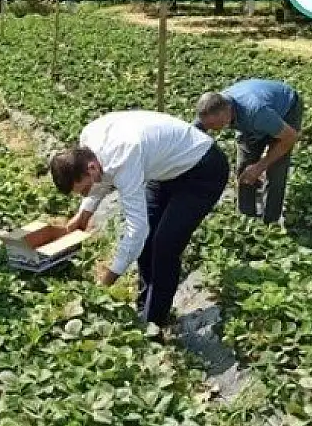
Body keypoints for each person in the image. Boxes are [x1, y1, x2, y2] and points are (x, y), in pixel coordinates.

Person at [48, 110, 228, 329]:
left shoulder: (125, 157)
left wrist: (109, 277)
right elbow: (101, 177)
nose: (86, 194)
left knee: (164, 245)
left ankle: (154, 325)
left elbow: (136, 228)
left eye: (85, 190)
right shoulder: (89, 140)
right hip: (163, 167)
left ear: (91, 168)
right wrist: (84, 213)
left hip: (203, 169)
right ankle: (145, 307)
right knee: (148, 240)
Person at [194, 79, 302, 224]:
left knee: (276, 169)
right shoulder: (211, 109)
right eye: (208, 125)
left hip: (285, 108)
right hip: (253, 116)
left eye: (214, 125)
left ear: (226, 113)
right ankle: (246, 218)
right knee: (244, 168)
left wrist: (260, 166)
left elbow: (290, 138)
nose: (211, 129)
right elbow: (192, 135)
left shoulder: (256, 112)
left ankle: (270, 222)